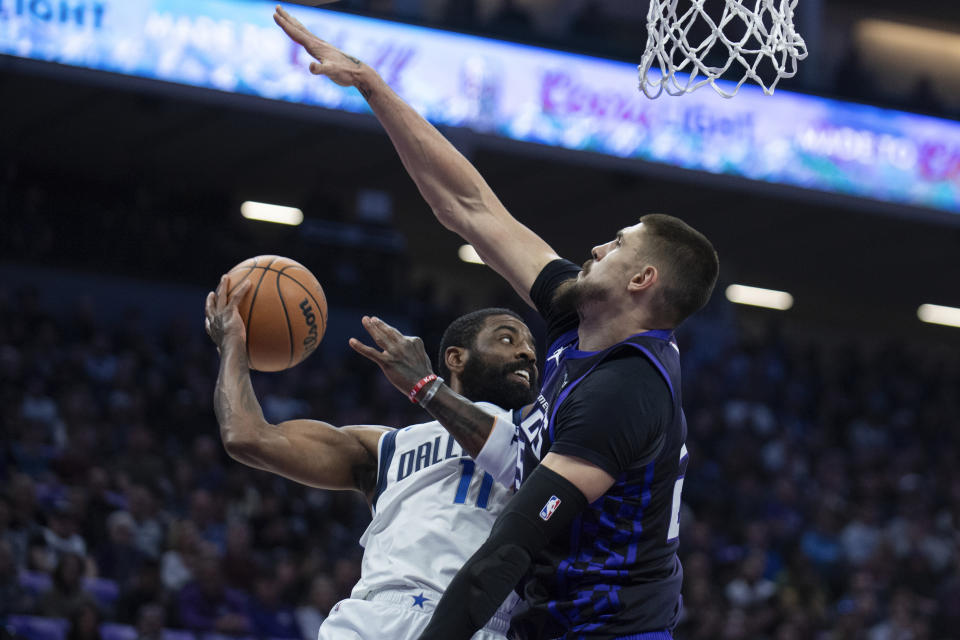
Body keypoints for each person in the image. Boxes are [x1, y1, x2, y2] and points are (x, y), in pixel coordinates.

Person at [273, 7, 719, 638]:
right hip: (546, 617)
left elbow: (509, 546)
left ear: (642, 281)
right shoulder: (577, 316)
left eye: (617, 246)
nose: (596, 250)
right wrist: (375, 88)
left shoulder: (626, 391)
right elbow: (469, 206)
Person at [204, 274, 540, 640]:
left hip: (476, 623)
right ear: (456, 358)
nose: (527, 352)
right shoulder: (384, 447)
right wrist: (233, 344)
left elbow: (517, 455)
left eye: (531, 346)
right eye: (508, 338)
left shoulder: (546, 435)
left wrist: (425, 385)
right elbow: (248, 437)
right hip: (373, 617)